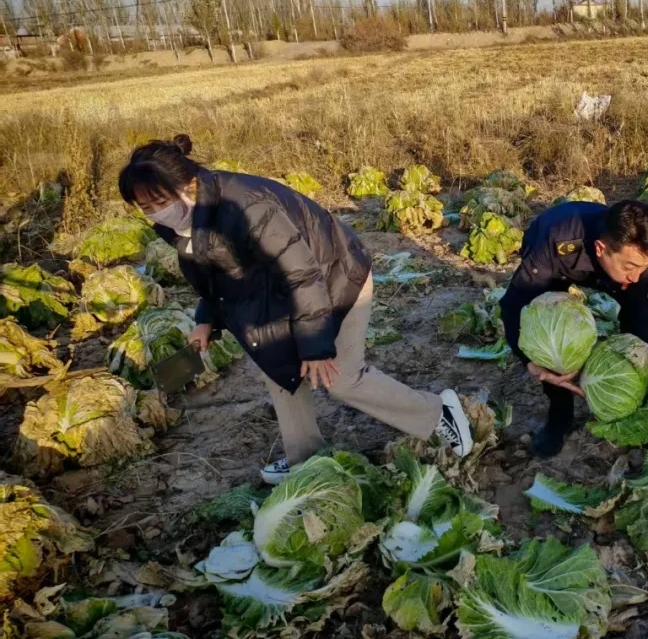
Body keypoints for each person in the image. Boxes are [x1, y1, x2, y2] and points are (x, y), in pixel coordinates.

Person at [118, 135, 473, 484]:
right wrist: (206, 320)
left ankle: (437, 414)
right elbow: (216, 273)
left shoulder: (247, 206)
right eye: (144, 207)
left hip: (334, 277)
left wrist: (316, 347)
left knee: (342, 377)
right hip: (282, 291)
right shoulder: (187, 219)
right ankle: (307, 459)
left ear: (188, 185)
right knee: (278, 367)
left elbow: (304, 274)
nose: (154, 213)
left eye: (158, 202)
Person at [500, 199, 648, 458]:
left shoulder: (639, 255)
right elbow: (513, 305)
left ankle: (642, 401)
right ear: (600, 248)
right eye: (631, 267)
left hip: (609, 270)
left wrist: (633, 372)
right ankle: (559, 418)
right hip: (558, 269)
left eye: (647, 266)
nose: (636, 275)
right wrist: (530, 361)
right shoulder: (553, 243)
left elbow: (636, 316)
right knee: (557, 343)